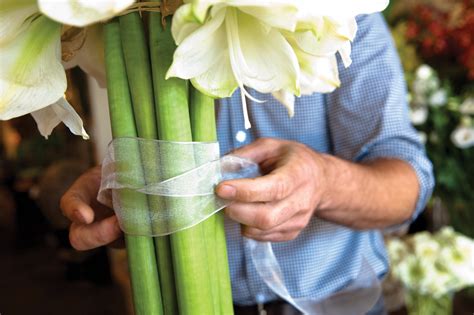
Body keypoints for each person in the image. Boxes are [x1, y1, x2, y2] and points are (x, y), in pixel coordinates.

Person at [60, 13, 434, 315]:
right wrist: (129, 192)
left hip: (336, 304)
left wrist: (322, 182)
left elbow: (407, 184)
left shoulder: (340, 15)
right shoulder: (136, 27)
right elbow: (148, 175)